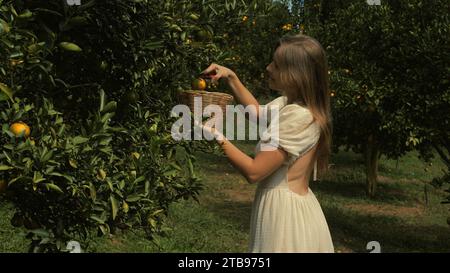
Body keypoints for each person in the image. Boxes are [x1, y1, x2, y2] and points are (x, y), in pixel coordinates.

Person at [199, 34, 334, 253]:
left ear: (297, 75)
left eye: (277, 65)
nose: (268, 68)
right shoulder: (288, 105)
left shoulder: (299, 117)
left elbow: (254, 172)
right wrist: (231, 77)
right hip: (287, 208)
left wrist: (215, 136)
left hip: (284, 218)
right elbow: (257, 114)